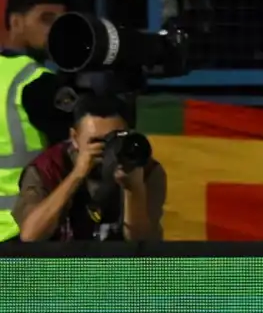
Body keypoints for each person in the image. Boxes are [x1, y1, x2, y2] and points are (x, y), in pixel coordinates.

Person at [13, 93, 165, 242]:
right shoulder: (47, 169)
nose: (108, 149)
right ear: (74, 138)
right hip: (60, 264)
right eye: (96, 142)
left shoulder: (146, 170)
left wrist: (134, 190)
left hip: (117, 265)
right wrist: (76, 175)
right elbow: (30, 236)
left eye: (115, 139)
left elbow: (145, 248)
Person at [0, 0, 73, 241]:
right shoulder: (36, 81)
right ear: (16, 22)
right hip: (23, 231)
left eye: (62, 21)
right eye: (46, 19)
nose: (56, 30)